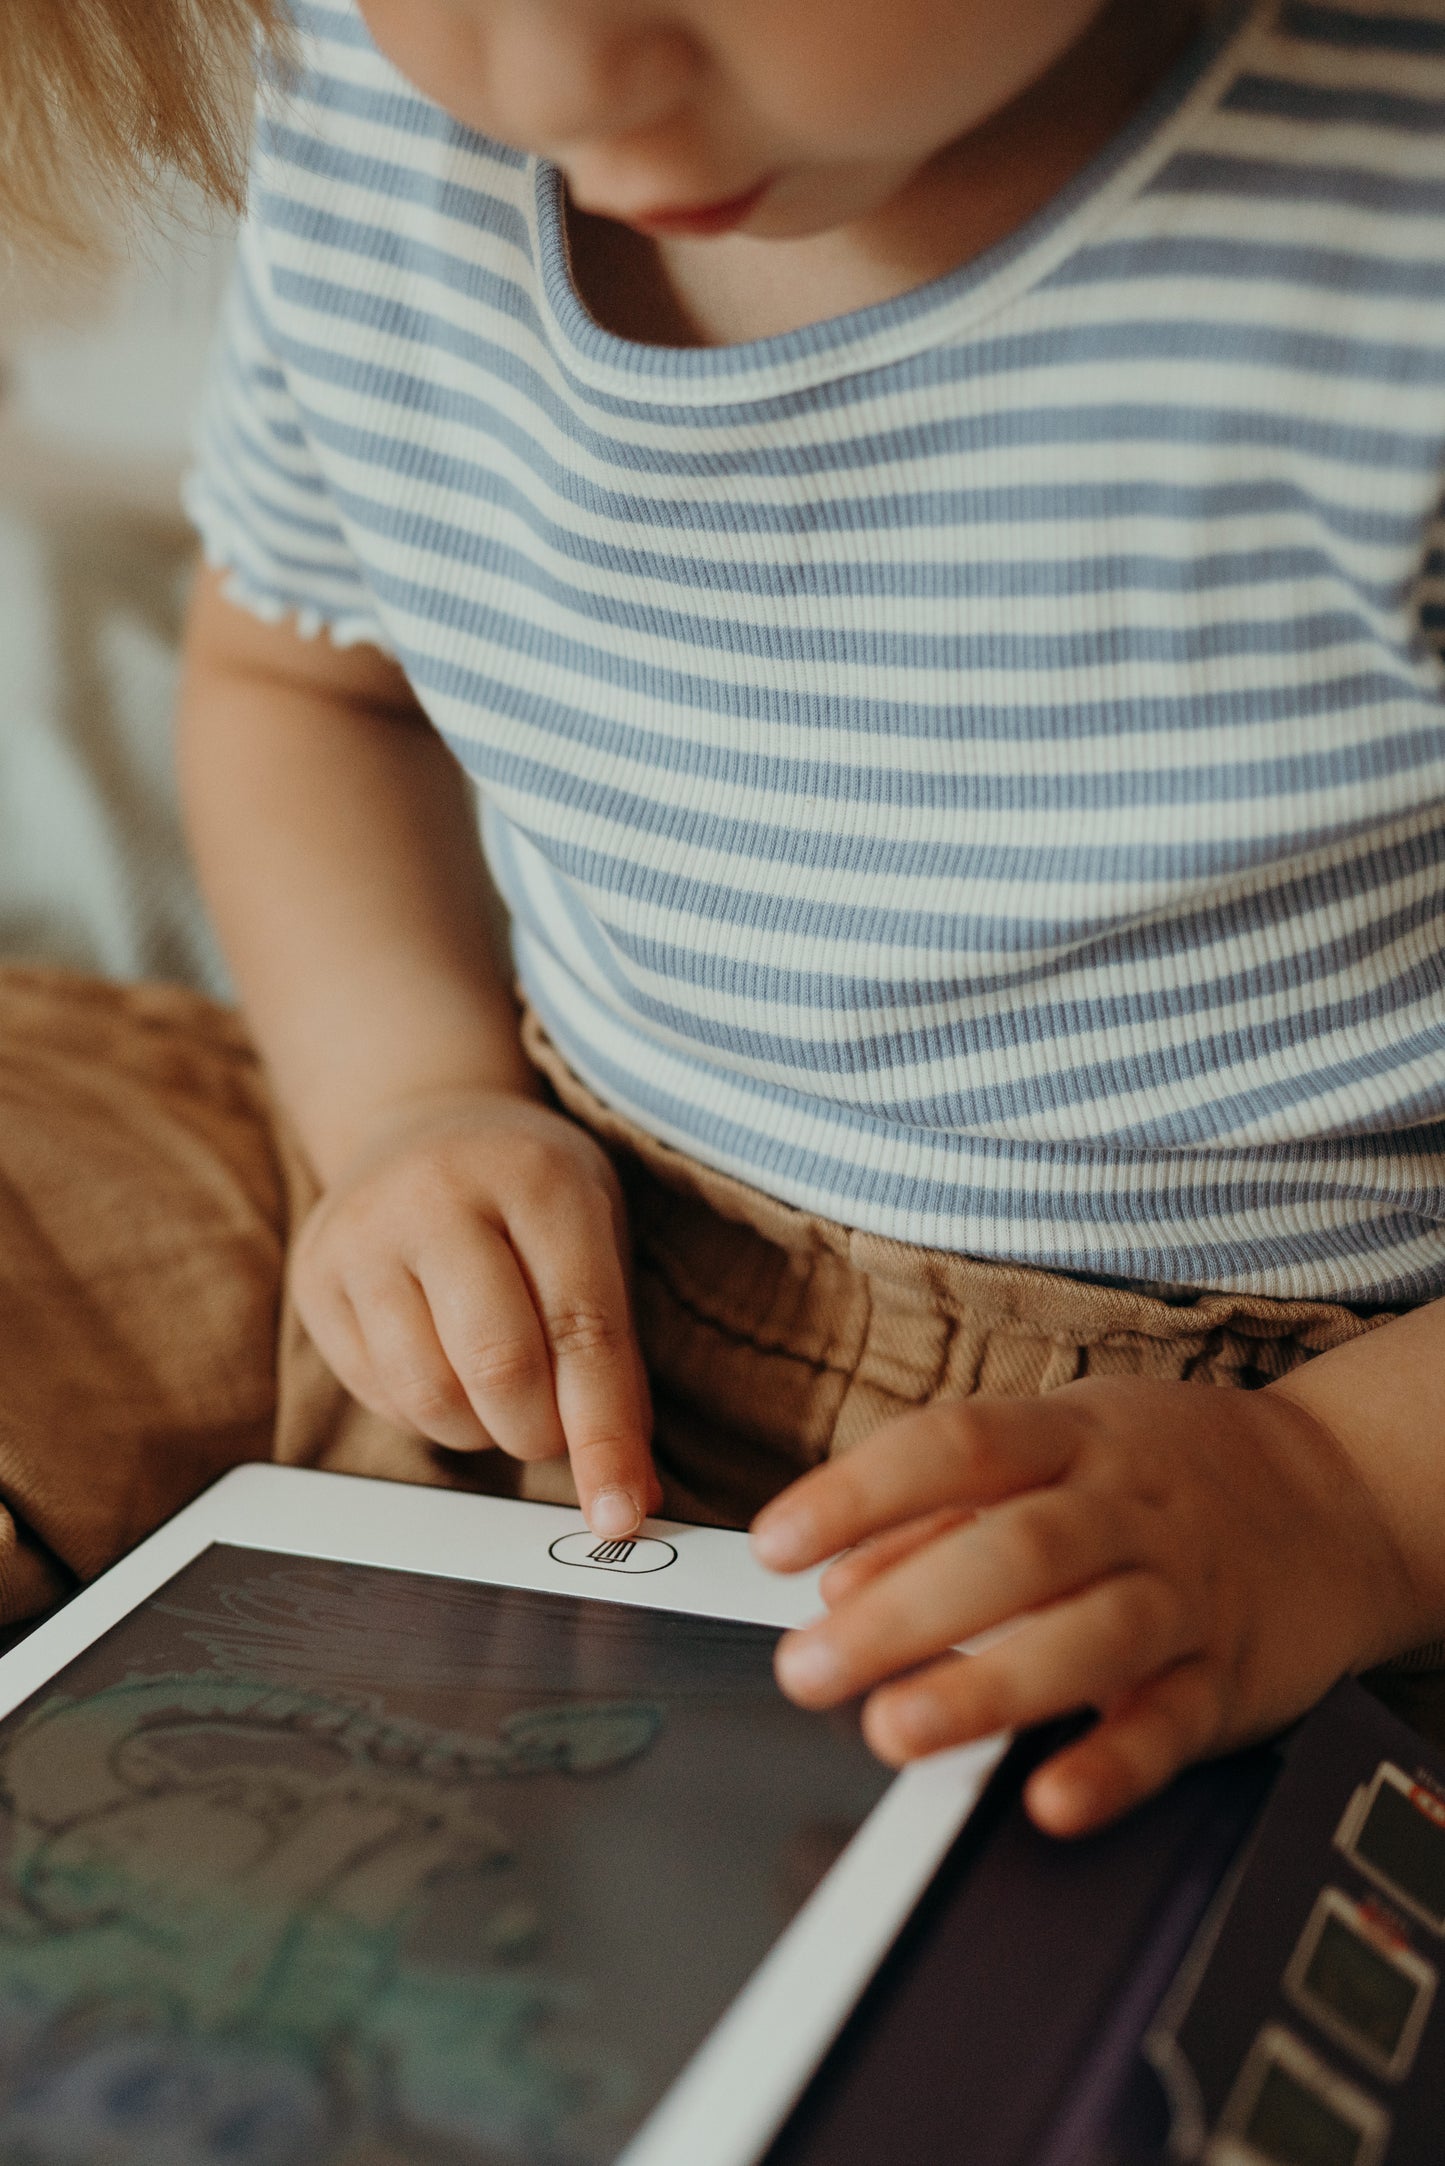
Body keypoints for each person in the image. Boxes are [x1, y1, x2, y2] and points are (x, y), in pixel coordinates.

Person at [5, 0, 1445, 1836]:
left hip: (1245, 1456)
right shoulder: (373, 105)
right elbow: (305, 689)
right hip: (520, 1216)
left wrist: (1342, 1499)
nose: (557, 82)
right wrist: (406, 1103)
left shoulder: (1390, 246)